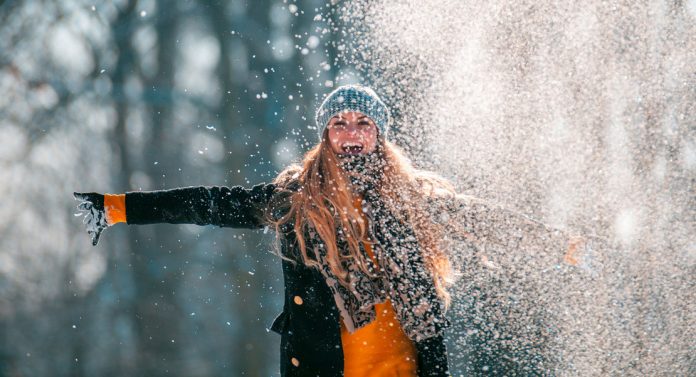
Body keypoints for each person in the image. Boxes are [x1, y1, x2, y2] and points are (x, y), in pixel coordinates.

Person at [75, 84, 585, 376]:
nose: (350, 133)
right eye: (339, 123)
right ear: (325, 135)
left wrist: (562, 246)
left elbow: (483, 220)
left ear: (379, 135)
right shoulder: (296, 202)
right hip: (324, 368)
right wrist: (120, 208)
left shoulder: (412, 201)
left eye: (363, 123)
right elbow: (213, 204)